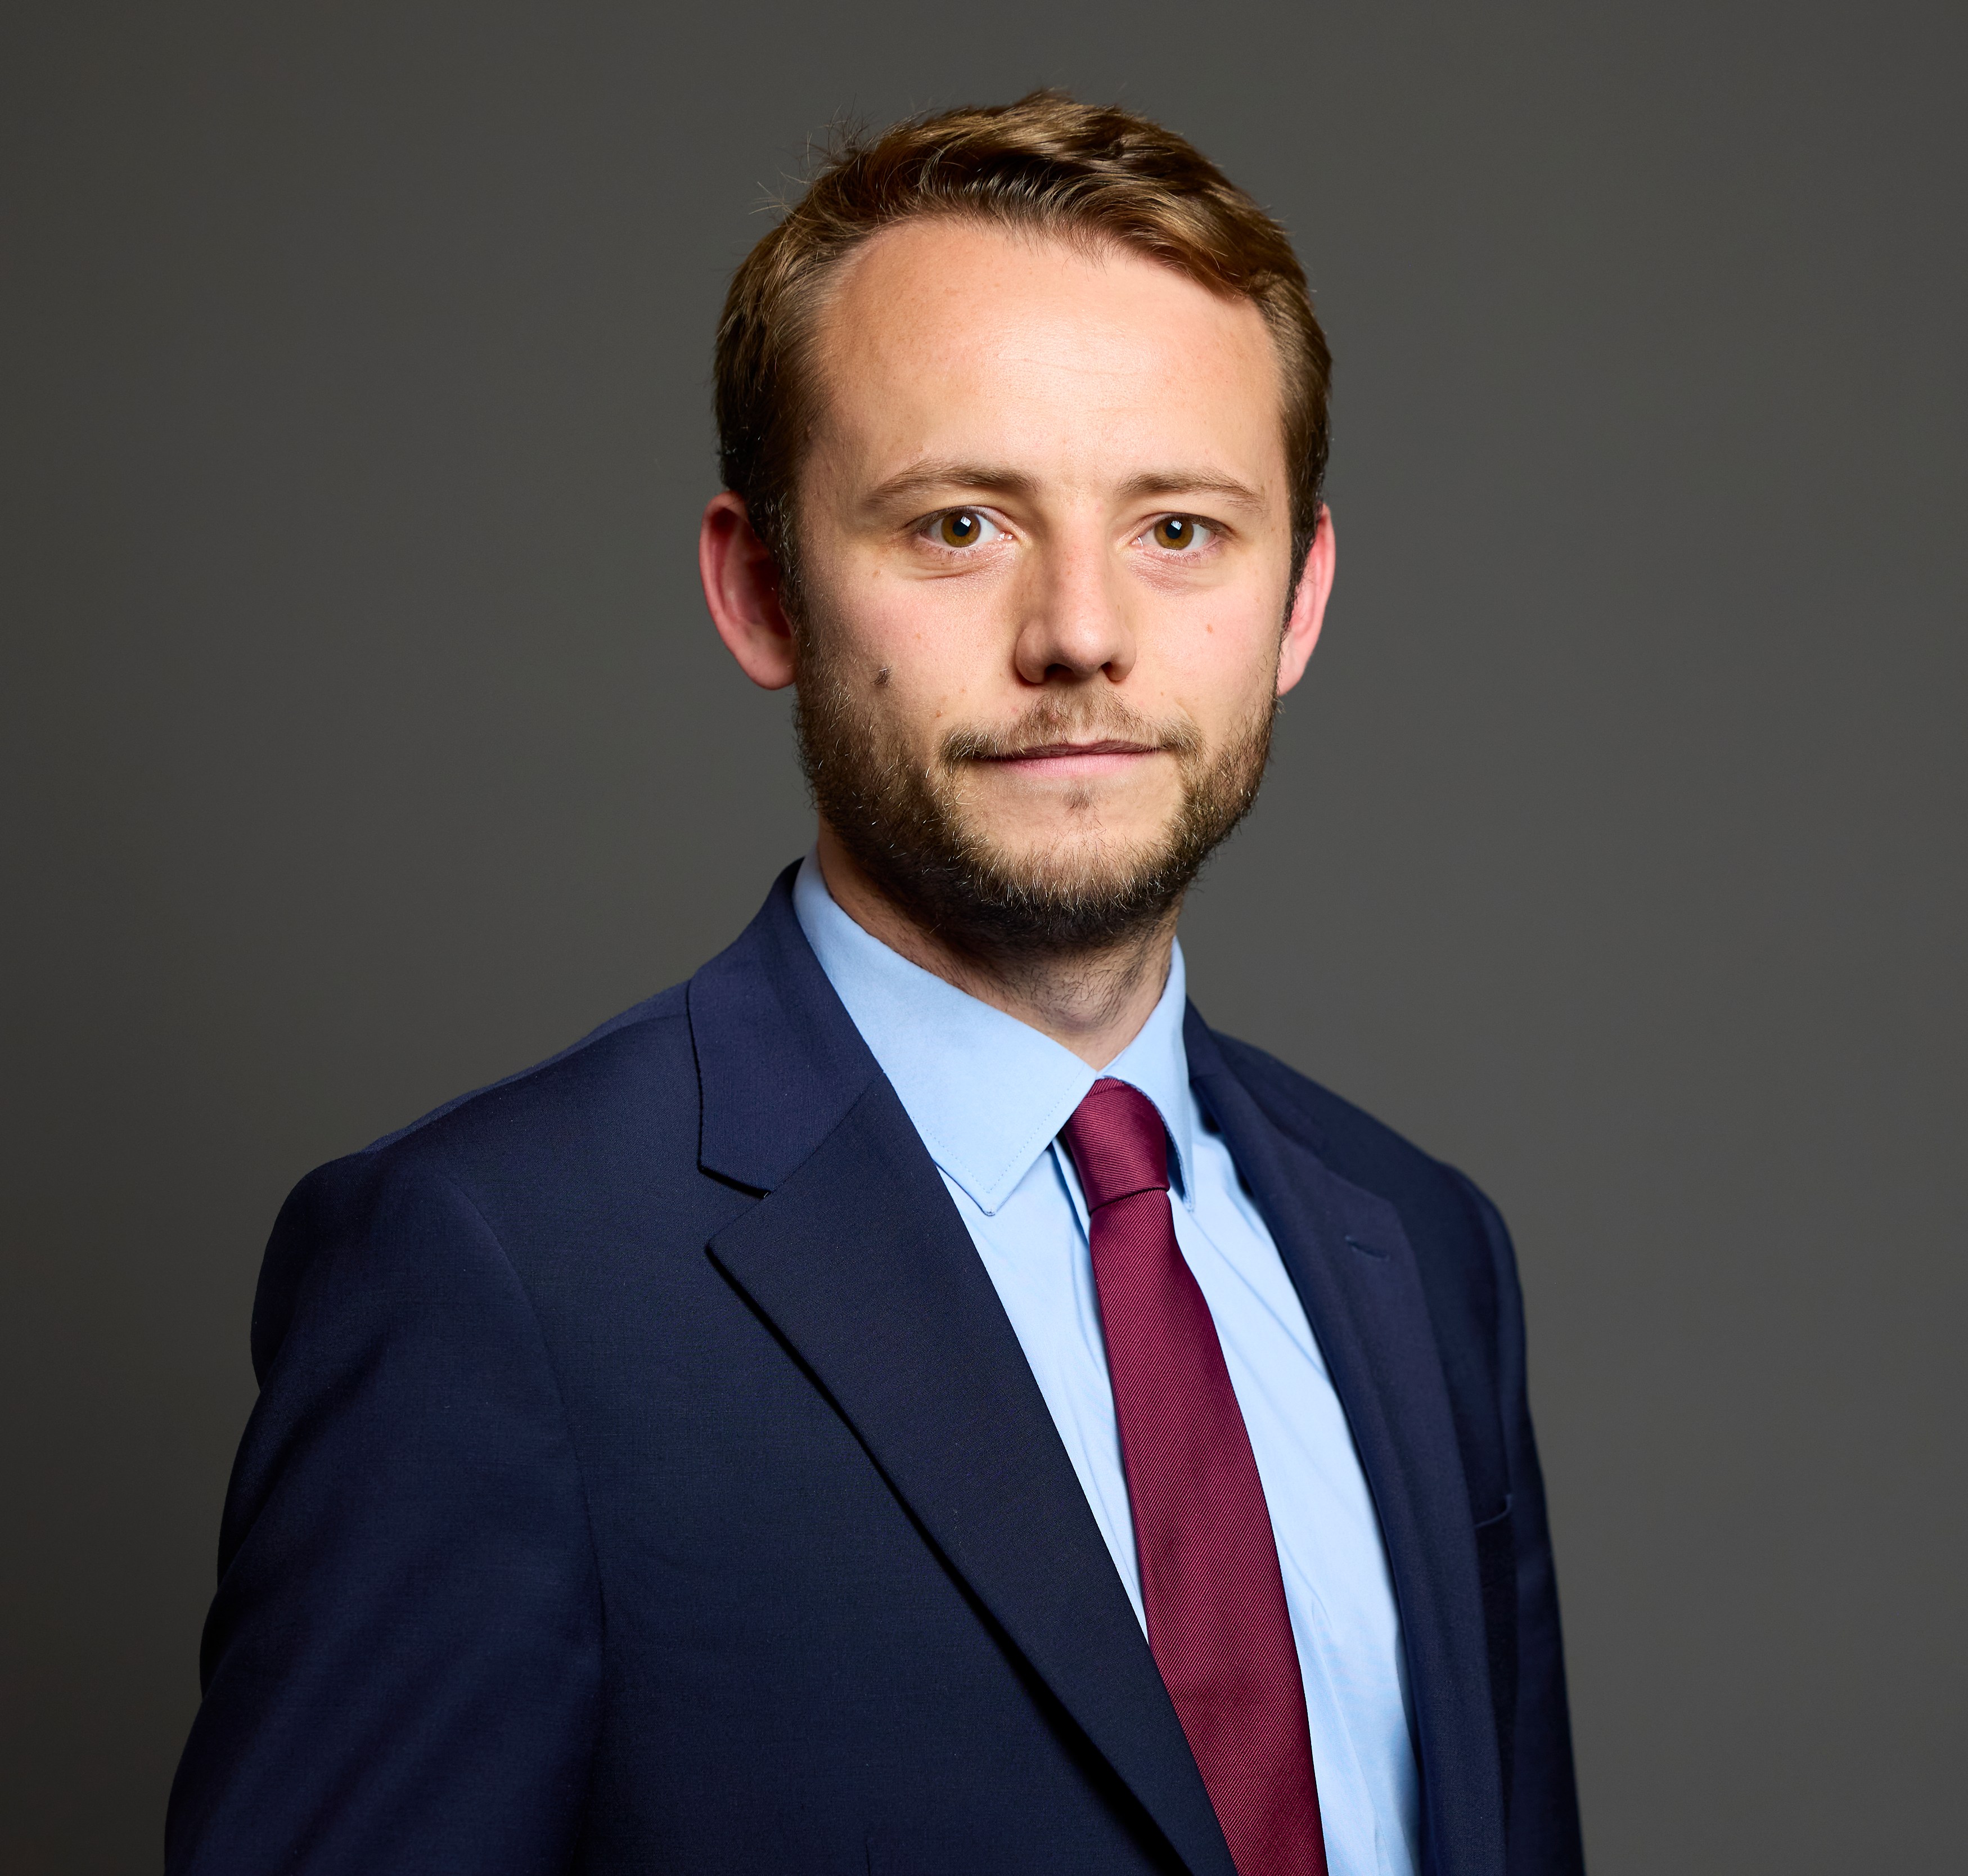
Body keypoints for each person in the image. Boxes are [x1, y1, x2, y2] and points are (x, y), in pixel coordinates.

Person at [166, 92, 1584, 1876]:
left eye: (1177, 530)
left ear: (1296, 601)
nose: (1081, 633)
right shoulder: (495, 1277)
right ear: (762, 592)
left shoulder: (1421, 1254)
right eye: (958, 524)